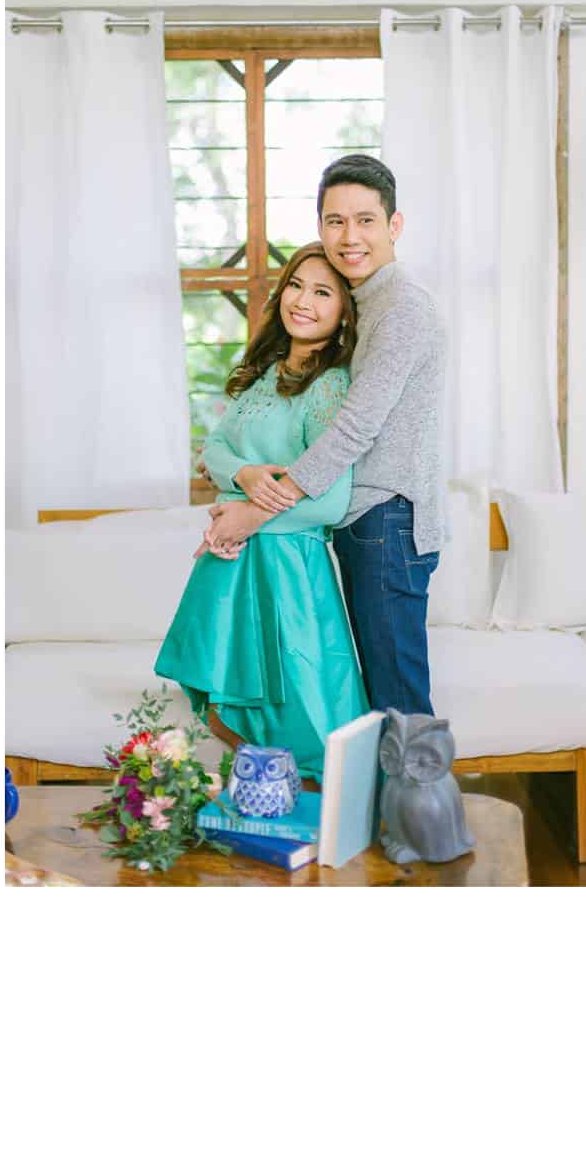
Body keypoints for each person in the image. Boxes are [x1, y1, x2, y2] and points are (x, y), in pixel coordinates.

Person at [198, 154, 447, 717]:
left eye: (365, 220)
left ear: (394, 225)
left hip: (388, 519)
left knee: (400, 701)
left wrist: (255, 512)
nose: (349, 236)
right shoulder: (365, 300)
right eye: (336, 221)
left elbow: (355, 427)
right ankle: (386, 782)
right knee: (378, 700)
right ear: (320, 227)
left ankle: (421, 782)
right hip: (365, 522)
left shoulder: (402, 307)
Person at [155, 244, 369, 780]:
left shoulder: (331, 385)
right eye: (296, 285)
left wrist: (244, 516)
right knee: (227, 703)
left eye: (322, 293)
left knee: (305, 712)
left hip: (288, 567)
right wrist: (246, 475)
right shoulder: (264, 373)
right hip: (233, 565)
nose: (303, 301)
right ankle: (263, 802)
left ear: (344, 313)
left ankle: (313, 809)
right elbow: (215, 448)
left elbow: (332, 500)